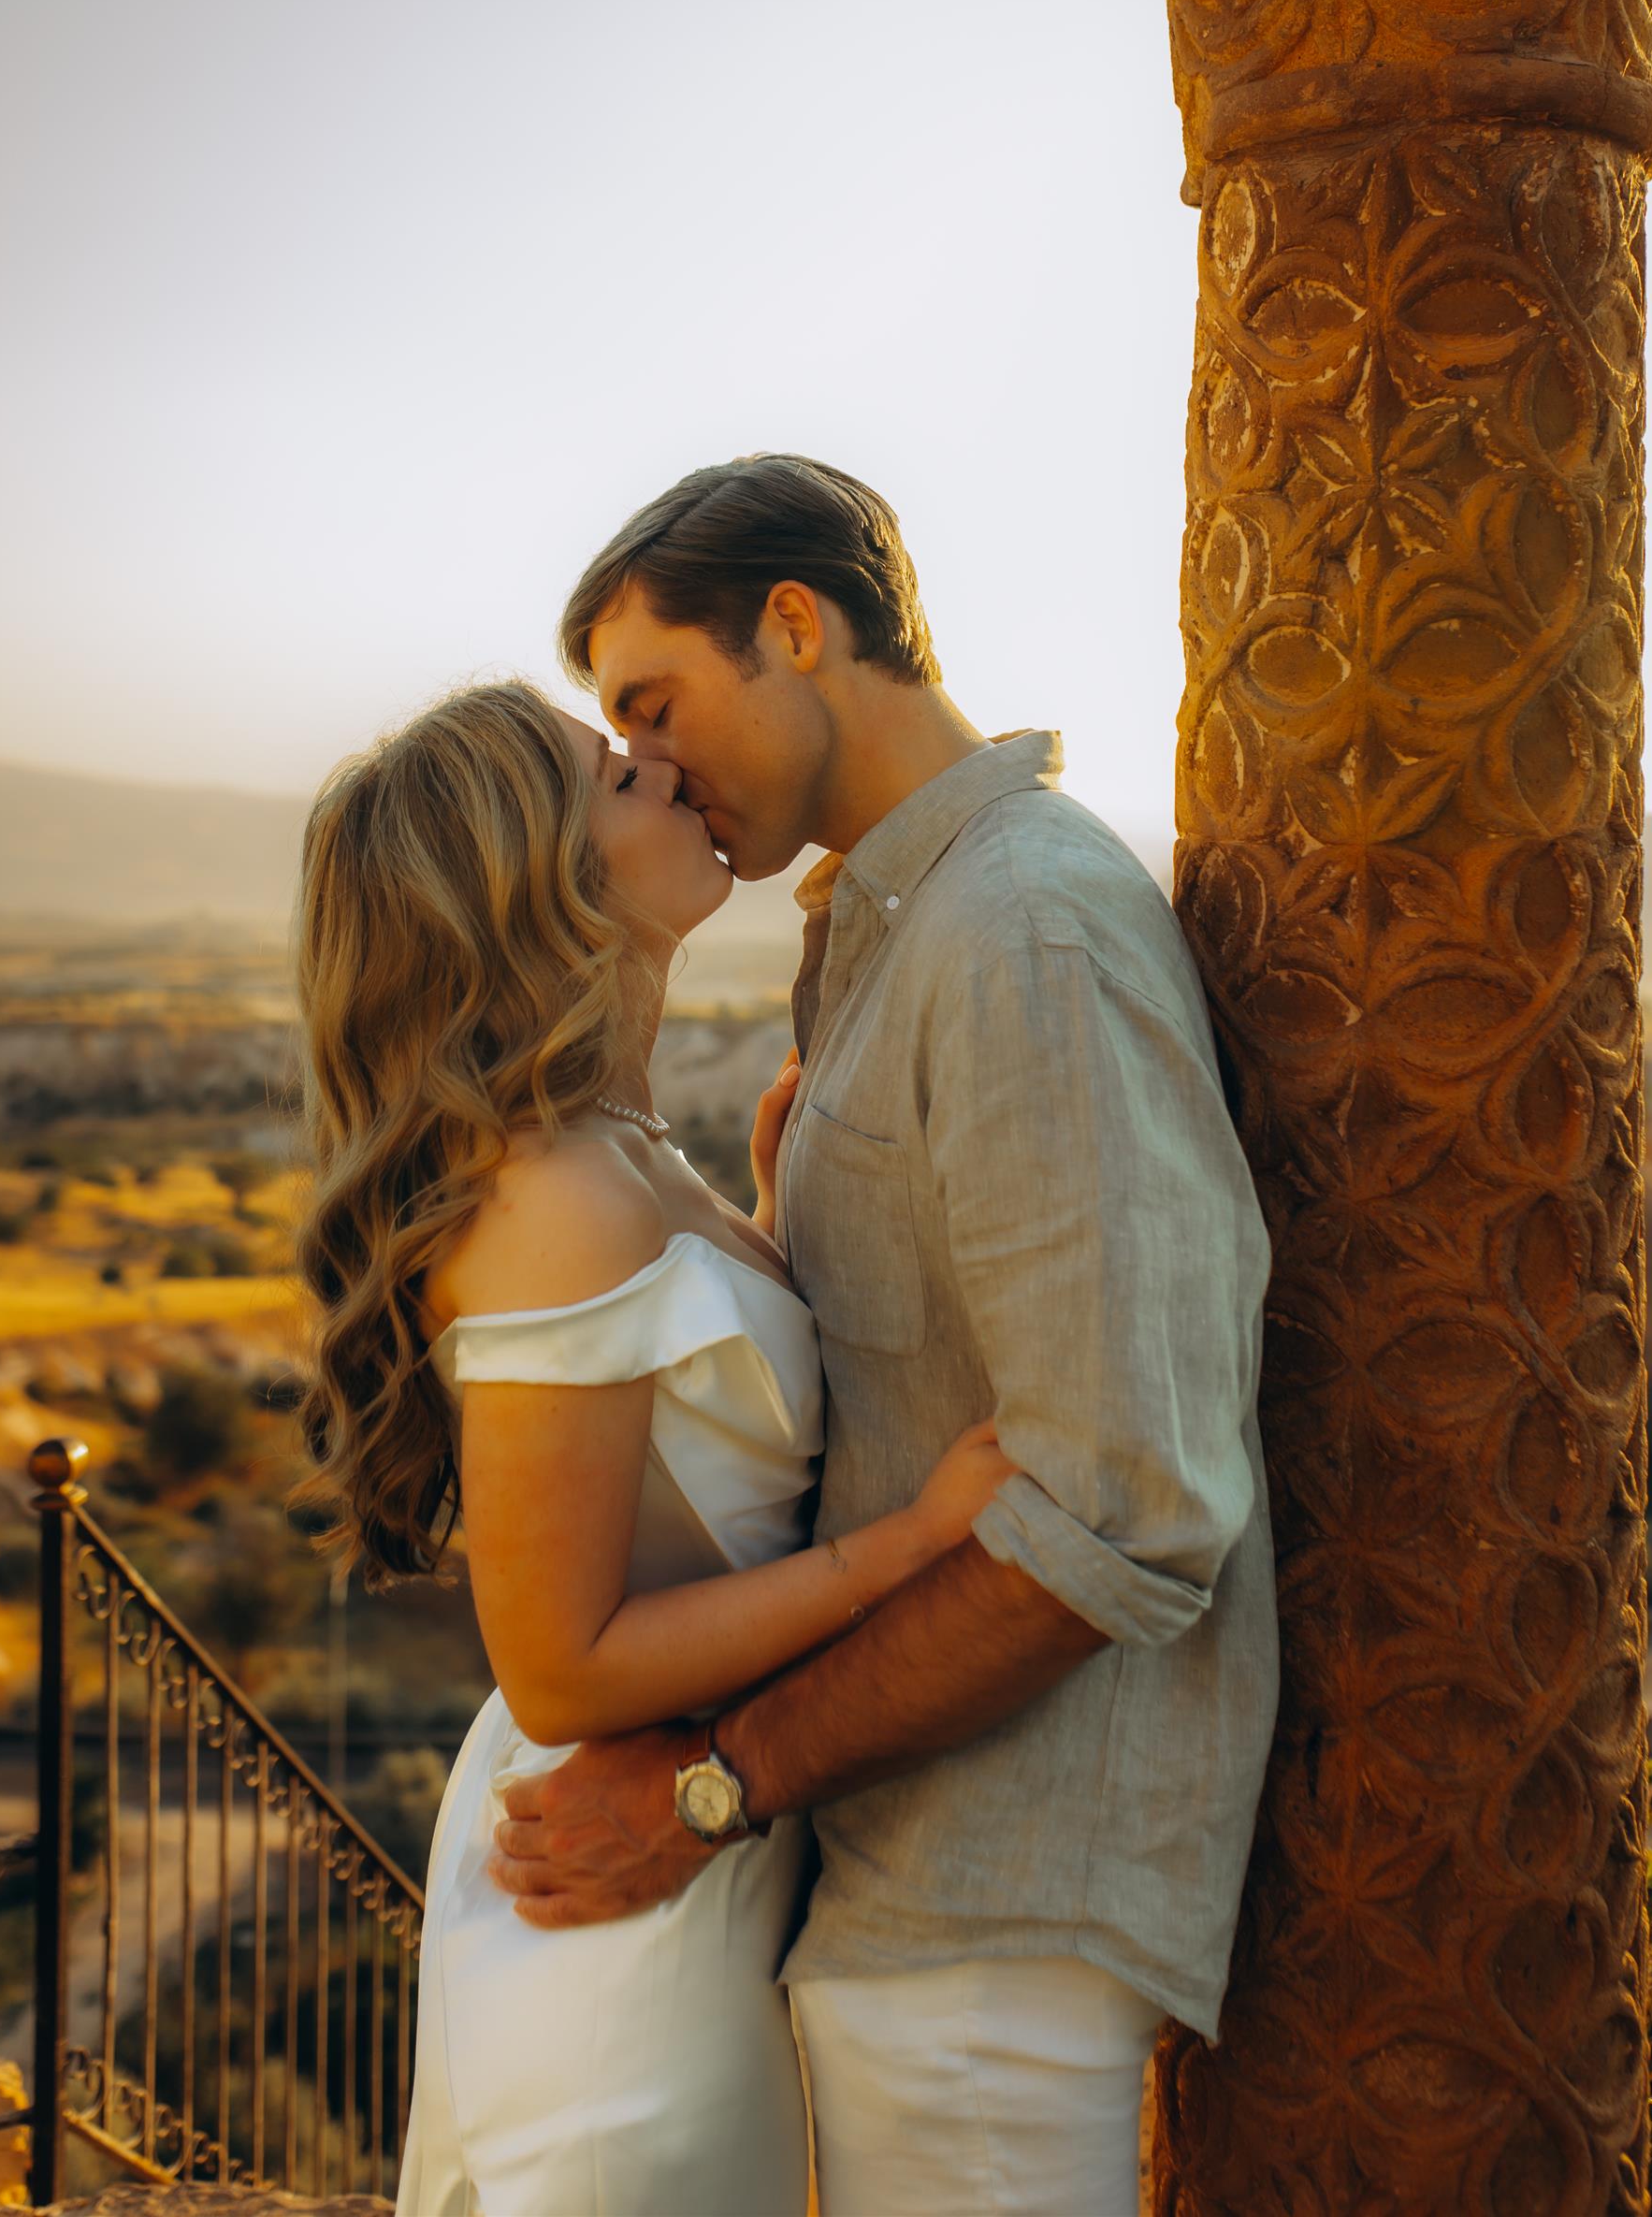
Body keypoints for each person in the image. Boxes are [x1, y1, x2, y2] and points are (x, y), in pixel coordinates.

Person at [486, 454, 1280, 2217]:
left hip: (988, 1923)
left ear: (795, 624)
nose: (652, 762)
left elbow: (1123, 1510)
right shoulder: (905, 930)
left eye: (654, 701)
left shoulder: (1022, 937)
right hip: (902, 1891)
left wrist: (709, 1789)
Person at [291, 675, 1012, 2217]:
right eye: (617, 772)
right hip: (618, 1928)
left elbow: (691, 1458)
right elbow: (560, 1663)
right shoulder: (558, 1195)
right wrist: (907, 1546)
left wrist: (764, 1223)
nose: (668, 772)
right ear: (530, 881)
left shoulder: (616, 1149)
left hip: (701, 1872)